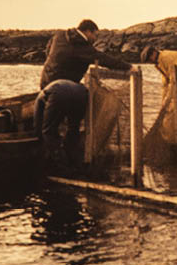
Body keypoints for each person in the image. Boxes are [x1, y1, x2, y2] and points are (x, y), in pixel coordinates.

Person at [34, 19, 131, 168]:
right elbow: (103, 58)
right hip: (67, 91)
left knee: (47, 127)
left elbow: (48, 51)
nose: (95, 39)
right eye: (95, 35)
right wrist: (128, 67)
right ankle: (65, 163)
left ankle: (53, 158)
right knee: (65, 128)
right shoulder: (82, 46)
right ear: (88, 31)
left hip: (47, 84)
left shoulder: (59, 35)